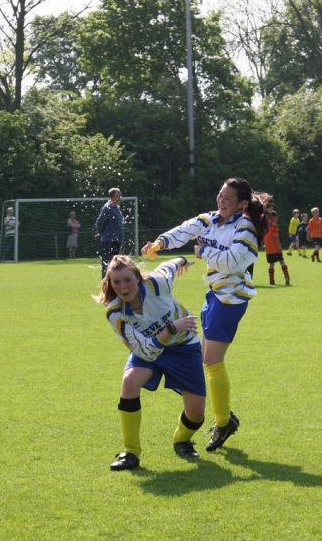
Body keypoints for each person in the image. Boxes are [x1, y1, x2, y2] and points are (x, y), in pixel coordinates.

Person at [141, 177, 268, 452]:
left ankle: (224, 422)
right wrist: (160, 243)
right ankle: (225, 419)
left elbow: (232, 263)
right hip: (213, 296)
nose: (222, 201)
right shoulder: (209, 219)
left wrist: (203, 251)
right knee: (207, 360)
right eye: (220, 195)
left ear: (242, 204)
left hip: (231, 299)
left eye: (229, 198)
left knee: (212, 360)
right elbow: (185, 229)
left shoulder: (245, 228)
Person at [100, 255, 204, 470]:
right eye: (116, 282)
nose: (123, 287)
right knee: (130, 382)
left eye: (127, 280)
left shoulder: (157, 283)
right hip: (149, 350)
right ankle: (130, 452)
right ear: (110, 283)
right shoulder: (115, 313)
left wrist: (182, 260)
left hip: (184, 346)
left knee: (196, 414)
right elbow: (145, 350)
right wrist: (171, 328)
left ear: (138, 278)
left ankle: (182, 439)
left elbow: (169, 265)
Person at [96, 188, 126, 278]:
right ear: (112, 197)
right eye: (118, 195)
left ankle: (114, 282)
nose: (120, 197)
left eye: (120, 195)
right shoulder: (107, 207)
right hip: (109, 241)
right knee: (108, 264)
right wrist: (101, 232)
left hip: (117, 240)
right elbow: (99, 222)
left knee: (116, 264)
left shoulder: (116, 208)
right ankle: (105, 283)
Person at [264, 210, 290, 285]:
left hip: (269, 249)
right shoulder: (274, 225)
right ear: (273, 217)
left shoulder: (265, 225)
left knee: (271, 264)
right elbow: (275, 237)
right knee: (282, 262)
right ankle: (287, 277)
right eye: (276, 218)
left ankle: (271, 280)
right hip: (275, 248)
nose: (277, 219)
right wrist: (279, 247)